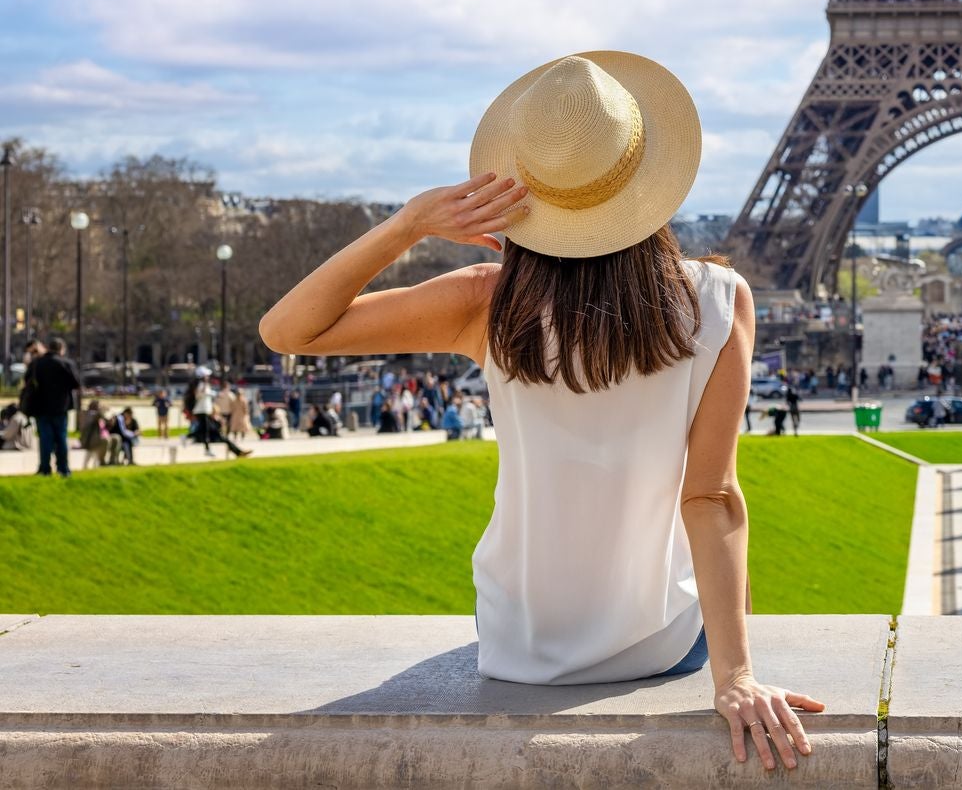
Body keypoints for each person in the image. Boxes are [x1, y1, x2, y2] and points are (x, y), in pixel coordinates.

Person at [256, 51, 821, 765]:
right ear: (648, 177)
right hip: (657, 638)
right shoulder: (717, 301)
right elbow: (711, 497)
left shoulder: (483, 302)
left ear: (523, 187)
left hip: (518, 644)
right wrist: (736, 677)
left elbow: (286, 331)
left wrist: (408, 224)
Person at [21, 337, 81, 477]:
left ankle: (44, 468)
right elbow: (76, 383)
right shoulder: (66, 363)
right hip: (61, 407)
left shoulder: (37, 363)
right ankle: (63, 468)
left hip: (41, 407)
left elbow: (27, 380)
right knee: (61, 438)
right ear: (62, 349)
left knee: (45, 439)